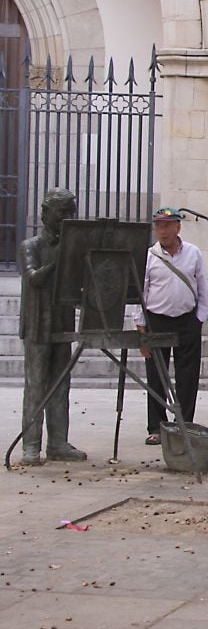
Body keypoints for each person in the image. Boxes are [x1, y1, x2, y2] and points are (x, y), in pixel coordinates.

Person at [18, 188, 84, 465]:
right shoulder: (30, 246)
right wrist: (60, 260)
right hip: (37, 324)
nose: (68, 217)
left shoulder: (71, 247)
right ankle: (30, 445)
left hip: (61, 322)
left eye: (71, 211)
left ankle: (58, 442)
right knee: (36, 385)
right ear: (46, 213)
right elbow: (34, 278)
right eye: (62, 212)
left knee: (61, 385)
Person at [137, 207, 208, 445]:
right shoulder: (148, 255)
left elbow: (202, 285)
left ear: (178, 227)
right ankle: (156, 426)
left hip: (187, 320)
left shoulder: (193, 253)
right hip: (156, 320)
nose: (163, 230)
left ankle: (184, 424)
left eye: (167, 225)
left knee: (188, 375)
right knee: (157, 375)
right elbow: (140, 290)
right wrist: (140, 326)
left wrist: (200, 317)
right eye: (159, 225)